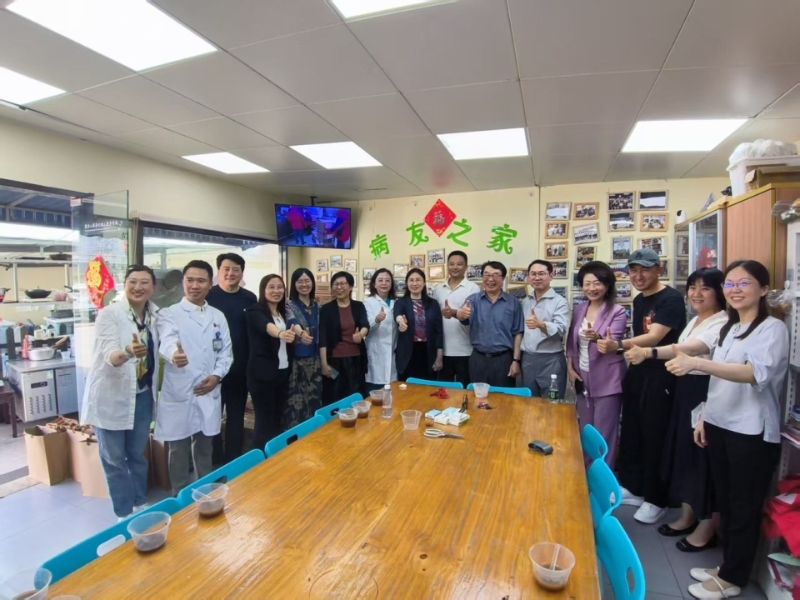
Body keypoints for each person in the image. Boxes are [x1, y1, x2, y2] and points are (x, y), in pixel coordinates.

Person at [662, 260, 788, 599]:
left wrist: (697, 363)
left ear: (763, 289)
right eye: (730, 284)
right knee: (727, 504)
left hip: (751, 432)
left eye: (744, 283)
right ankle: (727, 566)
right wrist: (705, 416)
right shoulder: (729, 327)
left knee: (744, 507)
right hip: (719, 423)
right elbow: (716, 379)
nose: (735, 290)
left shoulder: (773, 329)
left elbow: (753, 373)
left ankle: (733, 578)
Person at [626, 268, 727, 553]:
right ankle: (687, 516)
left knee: (701, 458)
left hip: (703, 391)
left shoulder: (722, 322)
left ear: (719, 292)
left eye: (705, 288)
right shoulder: (696, 319)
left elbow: (690, 348)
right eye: (693, 287)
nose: (696, 293)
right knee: (684, 454)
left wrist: (648, 352)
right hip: (684, 389)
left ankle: (706, 528)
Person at [597, 248, 686, 524]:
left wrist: (618, 345)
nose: (638, 275)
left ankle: (657, 499)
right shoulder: (640, 299)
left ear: (659, 269)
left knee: (655, 436)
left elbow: (654, 336)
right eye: (633, 270)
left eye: (645, 269)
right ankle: (635, 487)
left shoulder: (671, 299)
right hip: (638, 371)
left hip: (662, 375)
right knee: (633, 432)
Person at [81, 265, 160, 519]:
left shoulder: (155, 315)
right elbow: (110, 356)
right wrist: (127, 352)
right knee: (114, 459)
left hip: (142, 393)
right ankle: (124, 513)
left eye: (144, 282)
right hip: (111, 395)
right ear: (124, 285)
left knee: (137, 455)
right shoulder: (109, 314)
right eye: (132, 282)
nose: (138, 287)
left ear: (153, 287)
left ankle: (140, 502)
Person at [156, 260, 232, 494]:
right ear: (183, 282)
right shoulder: (169, 314)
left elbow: (226, 353)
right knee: (178, 448)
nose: (195, 285)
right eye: (190, 280)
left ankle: (205, 492)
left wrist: (216, 376)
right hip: (180, 391)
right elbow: (167, 340)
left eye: (201, 281)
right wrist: (173, 354)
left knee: (205, 445)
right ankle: (180, 495)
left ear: (210, 284)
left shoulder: (218, 316)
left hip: (208, 389)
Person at [566, 261, 627, 466]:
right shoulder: (579, 309)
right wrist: (570, 369)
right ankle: (585, 475)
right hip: (582, 376)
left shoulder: (617, 311)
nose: (592, 288)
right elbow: (571, 344)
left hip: (607, 379)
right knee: (586, 430)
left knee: (604, 433)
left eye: (597, 283)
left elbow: (613, 342)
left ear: (607, 285)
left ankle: (603, 477)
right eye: (587, 283)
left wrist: (597, 337)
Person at [206, 253, 257, 462]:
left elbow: (252, 333)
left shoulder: (249, 298)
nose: (230, 273)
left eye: (236, 269)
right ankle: (214, 460)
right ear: (219, 271)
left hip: (239, 369)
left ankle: (233, 460)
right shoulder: (208, 296)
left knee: (236, 417)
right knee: (212, 417)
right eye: (226, 269)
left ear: (242, 273)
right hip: (212, 370)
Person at [246, 274, 296, 451]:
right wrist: (281, 334)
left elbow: (294, 327)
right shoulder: (255, 310)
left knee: (278, 417)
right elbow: (266, 326)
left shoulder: (283, 312)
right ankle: (260, 457)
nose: (276, 291)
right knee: (264, 421)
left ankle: (276, 455)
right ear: (263, 290)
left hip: (282, 371)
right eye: (271, 287)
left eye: (280, 287)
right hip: (262, 374)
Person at [456, 261, 524, 387]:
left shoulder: (513, 303)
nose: (490, 279)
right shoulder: (472, 300)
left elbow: (518, 333)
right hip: (478, 359)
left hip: (504, 359)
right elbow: (463, 318)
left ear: (503, 278)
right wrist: (460, 315)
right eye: (486, 275)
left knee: (503, 396)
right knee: (477, 396)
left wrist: (516, 360)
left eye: (496, 275)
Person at [520, 259, 569, 397]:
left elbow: (561, 329)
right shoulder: (525, 301)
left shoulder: (560, 301)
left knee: (552, 403)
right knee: (528, 402)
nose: (537, 278)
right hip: (528, 359)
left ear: (551, 276)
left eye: (541, 273)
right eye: (533, 274)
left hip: (551, 360)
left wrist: (541, 324)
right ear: (529, 277)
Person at [319, 271, 369, 404]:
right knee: (335, 397)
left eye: (342, 284)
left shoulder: (358, 306)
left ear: (350, 287)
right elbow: (322, 338)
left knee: (356, 397)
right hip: (334, 361)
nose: (339, 287)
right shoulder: (326, 309)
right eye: (336, 284)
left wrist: (361, 334)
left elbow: (365, 325)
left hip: (356, 360)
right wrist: (324, 364)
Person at [432, 251, 479, 387]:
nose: (455, 267)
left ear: (466, 267)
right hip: (443, 351)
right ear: (447, 266)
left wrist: (454, 313)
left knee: (465, 391)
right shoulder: (438, 289)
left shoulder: (473, 288)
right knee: (443, 391)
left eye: (459, 264)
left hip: (466, 350)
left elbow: (476, 317)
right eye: (451, 264)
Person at [284, 268, 322, 428]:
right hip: (297, 362)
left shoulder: (317, 305)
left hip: (316, 360)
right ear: (294, 284)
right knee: (297, 403)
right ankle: (297, 436)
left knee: (315, 399)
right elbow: (292, 321)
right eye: (300, 281)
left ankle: (315, 432)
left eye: (307, 281)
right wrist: (301, 333)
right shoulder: (289, 304)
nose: (304, 284)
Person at [394, 268, 444, 381]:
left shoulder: (433, 304)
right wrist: (401, 321)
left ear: (424, 283)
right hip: (407, 354)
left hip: (428, 353)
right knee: (406, 388)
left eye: (418, 280)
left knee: (427, 388)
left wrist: (439, 356)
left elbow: (439, 332)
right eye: (411, 280)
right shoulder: (401, 302)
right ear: (407, 283)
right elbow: (398, 315)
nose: (415, 283)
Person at [364, 268, 397, 390]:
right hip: (375, 353)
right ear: (374, 284)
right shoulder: (368, 302)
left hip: (392, 353)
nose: (384, 283)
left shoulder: (396, 302)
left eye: (387, 280)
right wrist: (377, 319)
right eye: (380, 280)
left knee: (392, 391)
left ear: (391, 284)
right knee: (375, 391)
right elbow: (365, 327)